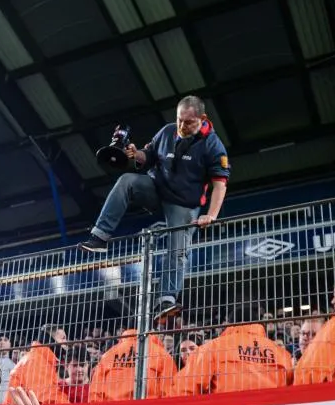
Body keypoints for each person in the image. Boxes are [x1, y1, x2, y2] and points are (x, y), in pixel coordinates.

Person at [79, 95, 231, 324]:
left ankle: (167, 299)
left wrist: (211, 215)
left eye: (188, 122)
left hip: (184, 203)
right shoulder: (167, 131)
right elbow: (147, 156)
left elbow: (220, 184)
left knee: (177, 247)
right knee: (127, 181)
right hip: (156, 189)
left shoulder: (213, 145)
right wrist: (134, 153)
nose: (182, 126)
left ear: (202, 118)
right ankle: (99, 237)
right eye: (180, 120)